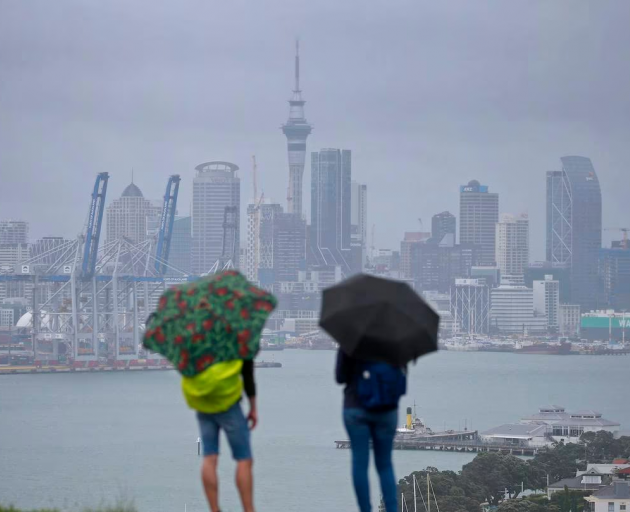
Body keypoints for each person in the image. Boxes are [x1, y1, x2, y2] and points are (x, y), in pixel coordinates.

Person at [183, 358, 258, 512]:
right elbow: (247, 373)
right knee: (243, 459)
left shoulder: (200, 335)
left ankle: (214, 509)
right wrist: (253, 407)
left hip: (203, 399)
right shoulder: (235, 338)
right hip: (228, 401)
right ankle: (249, 509)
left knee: (209, 457)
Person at [335, 348, 404, 512]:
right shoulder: (395, 340)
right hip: (386, 410)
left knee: (360, 462)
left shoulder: (351, 340)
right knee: (385, 464)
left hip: (355, 407)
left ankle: (365, 509)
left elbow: (340, 377)